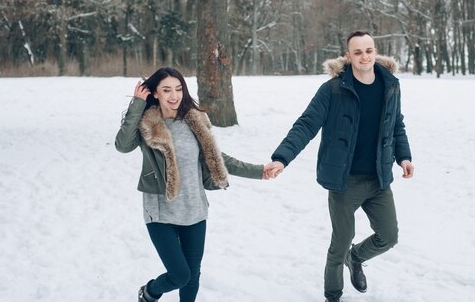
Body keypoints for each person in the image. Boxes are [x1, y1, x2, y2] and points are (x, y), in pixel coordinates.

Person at [267, 31, 414, 302]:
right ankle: (333, 296)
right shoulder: (333, 89)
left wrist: (404, 157)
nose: (364, 57)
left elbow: (396, 125)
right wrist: (282, 158)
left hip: (379, 178)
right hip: (345, 181)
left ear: (375, 51)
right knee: (339, 243)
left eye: (368, 50)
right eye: (357, 52)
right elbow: (306, 124)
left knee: (389, 236)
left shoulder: (390, 85)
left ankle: (355, 257)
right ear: (348, 56)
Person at [115, 67, 278, 302]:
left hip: (195, 209)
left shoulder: (193, 121)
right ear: (156, 93)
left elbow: (217, 157)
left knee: (192, 276)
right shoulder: (148, 124)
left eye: (179, 89)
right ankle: (150, 292)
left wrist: (258, 171)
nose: (174, 96)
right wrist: (137, 104)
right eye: (167, 90)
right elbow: (122, 145)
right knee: (179, 275)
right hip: (161, 212)